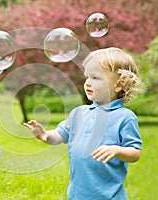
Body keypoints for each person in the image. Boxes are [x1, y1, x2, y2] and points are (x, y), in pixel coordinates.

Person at [24, 47, 142, 200]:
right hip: (78, 194)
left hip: (109, 196)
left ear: (118, 85)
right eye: (87, 77)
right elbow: (60, 135)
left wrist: (117, 150)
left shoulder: (125, 117)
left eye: (96, 78)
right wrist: (44, 134)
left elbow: (135, 153)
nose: (87, 83)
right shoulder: (79, 114)